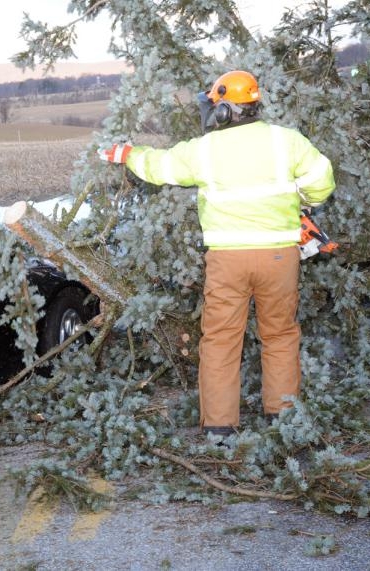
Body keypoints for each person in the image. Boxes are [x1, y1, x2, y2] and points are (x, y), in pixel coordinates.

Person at [99, 70, 336, 437]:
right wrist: (301, 202)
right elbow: (321, 180)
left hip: (228, 261)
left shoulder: (204, 150)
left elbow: (159, 166)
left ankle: (221, 429)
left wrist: (128, 153)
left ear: (224, 110)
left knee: (222, 341)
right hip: (279, 257)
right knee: (280, 335)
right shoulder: (285, 141)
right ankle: (283, 420)